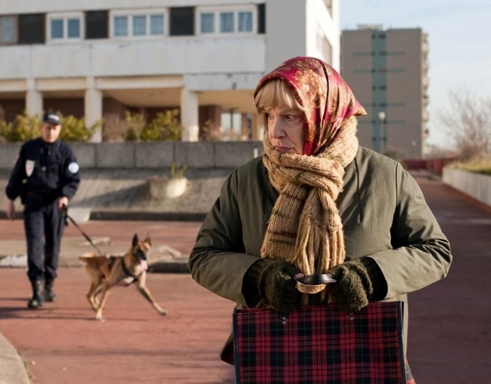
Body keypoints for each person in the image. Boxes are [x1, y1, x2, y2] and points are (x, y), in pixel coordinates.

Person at [188, 56, 452, 382]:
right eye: (268, 116)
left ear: (326, 115)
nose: (274, 132)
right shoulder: (245, 181)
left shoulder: (386, 176)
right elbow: (204, 257)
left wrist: (372, 276)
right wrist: (258, 278)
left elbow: (435, 251)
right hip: (276, 356)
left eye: (290, 117)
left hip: (366, 354)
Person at [5, 111, 80, 309]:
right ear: (42, 127)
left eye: (54, 128)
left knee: (53, 247)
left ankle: (49, 284)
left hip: (55, 205)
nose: (51, 131)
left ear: (59, 129)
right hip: (33, 205)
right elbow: (17, 175)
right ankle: (36, 290)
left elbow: (73, 179)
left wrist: (65, 195)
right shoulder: (30, 148)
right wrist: (10, 199)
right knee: (35, 246)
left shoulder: (66, 152)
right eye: (47, 127)